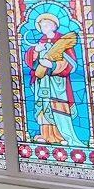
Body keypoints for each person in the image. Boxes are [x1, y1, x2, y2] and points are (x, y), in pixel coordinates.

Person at [25, 12, 85, 146]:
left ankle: (62, 135)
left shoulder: (63, 41)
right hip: (42, 82)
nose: (44, 27)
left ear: (54, 25)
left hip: (58, 83)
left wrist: (52, 65)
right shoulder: (40, 42)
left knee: (58, 107)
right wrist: (35, 52)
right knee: (43, 106)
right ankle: (45, 135)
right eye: (41, 25)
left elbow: (71, 63)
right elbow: (30, 61)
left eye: (47, 24)